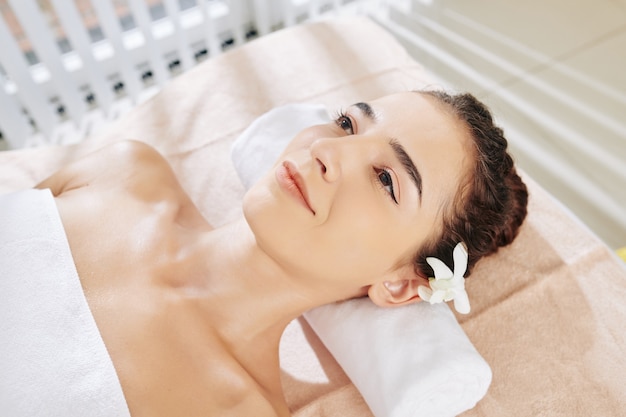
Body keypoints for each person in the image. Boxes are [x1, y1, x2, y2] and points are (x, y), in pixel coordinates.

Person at [33, 90, 527, 416]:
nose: (327, 151)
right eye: (347, 124)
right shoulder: (124, 173)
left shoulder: (236, 407)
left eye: (385, 179)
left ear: (400, 284)